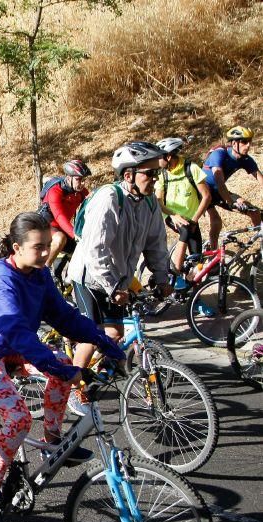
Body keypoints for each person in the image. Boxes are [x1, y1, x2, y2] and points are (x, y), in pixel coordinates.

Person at [0, 212, 125, 522]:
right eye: (39, 247)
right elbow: (18, 332)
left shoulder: (39, 273)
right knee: (18, 419)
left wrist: (104, 341)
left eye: (49, 245)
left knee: (63, 366)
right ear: (17, 248)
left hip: (15, 346)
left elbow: (63, 316)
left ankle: (53, 438)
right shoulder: (0, 281)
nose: (47, 252)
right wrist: (56, 368)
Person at [68, 142, 172, 382]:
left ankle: (97, 375)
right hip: (90, 276)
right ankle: (71, 389)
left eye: (157, 173)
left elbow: (156, 244)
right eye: (149, 173)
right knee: (91, 336)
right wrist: (112, 286)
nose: (155, 178)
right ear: (129, 175)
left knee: (114, 334)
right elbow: (96, 248)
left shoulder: (149, 202)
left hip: (117, 279)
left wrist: (162, 277)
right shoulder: (109, 198)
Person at [155, 137, 212, 289]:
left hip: (191, 218)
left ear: (168, 156)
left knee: (197, 261)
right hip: (171, 215)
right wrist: (172, 215)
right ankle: (174, 270)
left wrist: (195, 219)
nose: (157, 160)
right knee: (185, 230)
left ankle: (194, 298)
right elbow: (159, 201)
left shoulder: (191, 168)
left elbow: (206, 196)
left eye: (160, 157)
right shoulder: (162, 174)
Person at [203, 126, 263, 248]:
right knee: (216, 222)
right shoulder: (220, 153)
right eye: (244, 142)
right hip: (203, 191)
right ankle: (213, 254)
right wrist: (231, 202)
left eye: (249, 142)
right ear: (234, 143)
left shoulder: (245, 159)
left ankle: (262, 244)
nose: (248, 146)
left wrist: (234, 202)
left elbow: (261, 179)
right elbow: (219, 182)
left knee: (254, 212)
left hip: (219, 192)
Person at [38, 159, 92, 267]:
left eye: (84, 180)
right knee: (59, 239)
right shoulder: (55, 191)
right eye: (78, 179)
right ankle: (44, 271)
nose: (82, 183)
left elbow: (93, 207)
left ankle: (67, 279)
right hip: (45, 226)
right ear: (68, 178)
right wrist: (74, 234)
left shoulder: (81, 192)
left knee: (83, 250)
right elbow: (59, 217)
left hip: (62, 229)